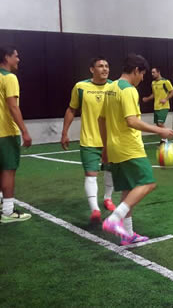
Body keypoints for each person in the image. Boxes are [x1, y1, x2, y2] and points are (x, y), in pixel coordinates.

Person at [99, 54, 173, 245]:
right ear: (136, 71)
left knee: (128, 190)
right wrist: (161, 131)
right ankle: (114, 218)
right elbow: (131, 121)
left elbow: (102, 119)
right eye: (142, 74)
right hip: (129, 147)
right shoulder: (129, 90)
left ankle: (128, 234)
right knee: (147, 183)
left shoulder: (109, 87)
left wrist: (105, 146)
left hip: (115, 147)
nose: (143, 79)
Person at [60, 56, 114, 223]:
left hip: (110, 140)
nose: (104, 69)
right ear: (92, 69)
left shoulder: (114, 87)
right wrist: (64, 132)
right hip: (89, 139)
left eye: (106, 66)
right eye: (100, 66)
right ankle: (95, 210)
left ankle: (107, 198)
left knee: (110, 170)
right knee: (91, 174)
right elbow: (71, 109)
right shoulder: (81, 87)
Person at [0, 46, 33, 223]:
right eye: (16, 56)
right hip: (7, 132)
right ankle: (8, 211)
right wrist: (25, 131)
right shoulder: (10, 77)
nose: (18, 59)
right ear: (7, 57)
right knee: (8, 170)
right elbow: (13, 106)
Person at [142, 67, 173, 142]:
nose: (152, 74)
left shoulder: (165, 82)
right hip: (156, 107)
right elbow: (154, 94)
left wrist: (165, 99)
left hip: (164, 107)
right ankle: (164, 139)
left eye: (154, 72)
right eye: (152, 73)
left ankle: (168, 135)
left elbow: (172, 92)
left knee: (160, 123)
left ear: (158, 72)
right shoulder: (153, 83)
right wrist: (147, 99)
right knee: (158, 124)